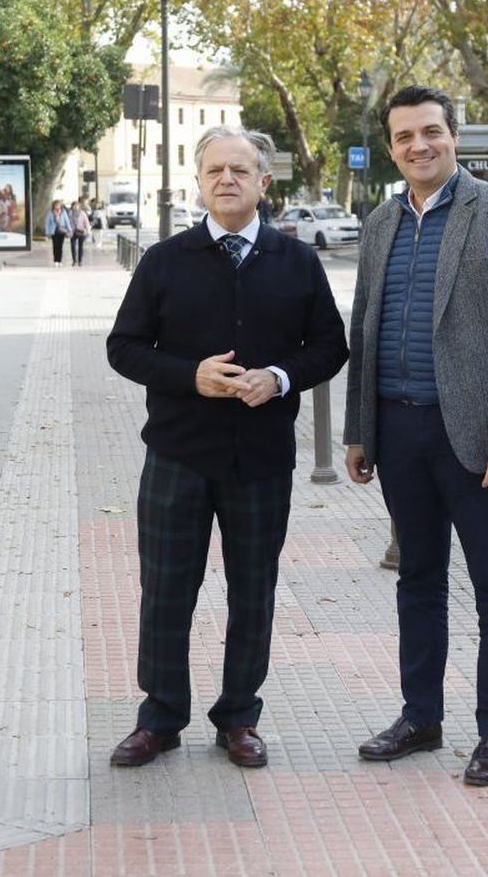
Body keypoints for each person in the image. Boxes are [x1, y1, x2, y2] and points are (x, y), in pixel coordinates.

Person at [105, 125, 348, 771]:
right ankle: (159, 718)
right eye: (215, 170)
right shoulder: (164, 260)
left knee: (253, 590)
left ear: (264, 182)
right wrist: (191, 375)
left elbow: (330, 345)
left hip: (262, 461)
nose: (227, 180)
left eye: (240, 170)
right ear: (199, 181)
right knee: (165, 590)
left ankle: (239, 715)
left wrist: (281, 378)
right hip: (177, 456)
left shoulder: (297, 263)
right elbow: (123, 348)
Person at [343, 85, 488, 788]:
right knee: (418, 581)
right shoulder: (379, 223)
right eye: (404, 137)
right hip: (397, 430)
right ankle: (420, 716)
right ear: (392, 147)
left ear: (453, 135)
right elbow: (362, 330)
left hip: (474, 436)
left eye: (430, 131)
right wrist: (357, 431)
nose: (418, 146)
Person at [44, 199, 72, 266]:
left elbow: (67, 221)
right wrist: (47, 232)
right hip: (53, 231)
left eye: (58, 205)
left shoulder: (63, 212)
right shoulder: (50, 213)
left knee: (60, 246)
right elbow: (47, 223)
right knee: (55, 246)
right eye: (56, 205)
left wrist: (70, 230)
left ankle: (59, 261)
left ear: (60, 205)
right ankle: (55, 260)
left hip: (61, 231)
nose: (57, 206)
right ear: (53, 206)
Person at [69, 199, 91, 265]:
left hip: (81, 231)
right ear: (72, 206)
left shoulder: (83, 213)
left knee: (80, 246)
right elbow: (68, 222)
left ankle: (80, 261)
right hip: (72, 231)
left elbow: (86, 222)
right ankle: (74, 260)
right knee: (73, 246)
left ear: (79, 206)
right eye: (74, 206)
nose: (75, 207)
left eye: (77, 206)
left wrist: (88, 231)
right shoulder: (70, 213)